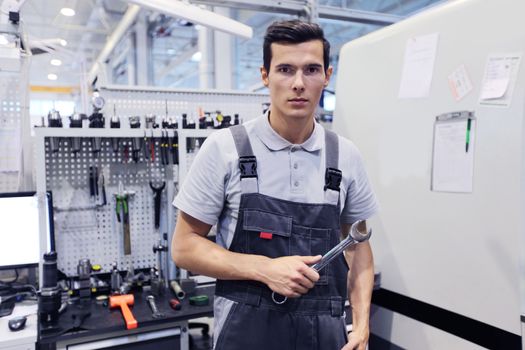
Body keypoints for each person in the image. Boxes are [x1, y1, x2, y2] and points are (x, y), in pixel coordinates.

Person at [171, 19, 378, 350]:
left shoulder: (346, 157)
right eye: (285, 69)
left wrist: (363, 325)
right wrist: (264, 268)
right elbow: (184, 247)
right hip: (246, 337)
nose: (298, 83)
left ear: (327, 76)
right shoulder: (225, 149)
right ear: (265, 75)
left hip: (325, 336)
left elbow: (358, 247)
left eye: (311, 70)